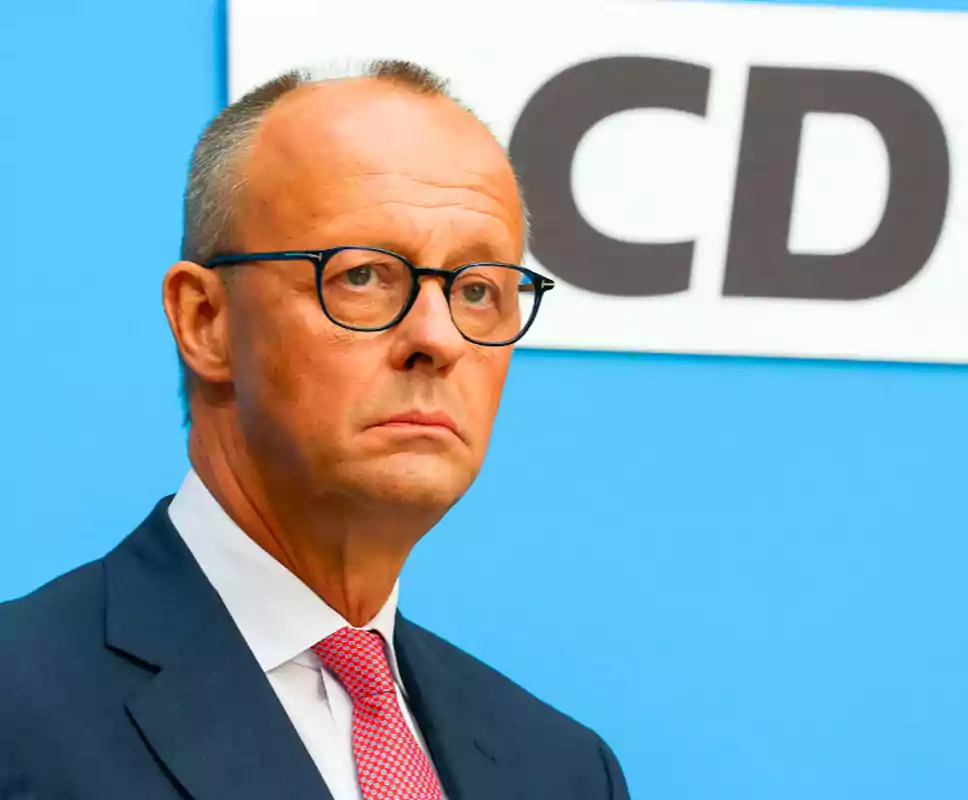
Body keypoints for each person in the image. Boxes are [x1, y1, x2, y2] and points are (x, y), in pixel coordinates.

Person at [0, 61, 629, 800]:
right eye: (362, 275)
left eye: (479, 289)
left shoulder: (562, 770)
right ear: (206, 322)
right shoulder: (21, 709)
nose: (439, 337)